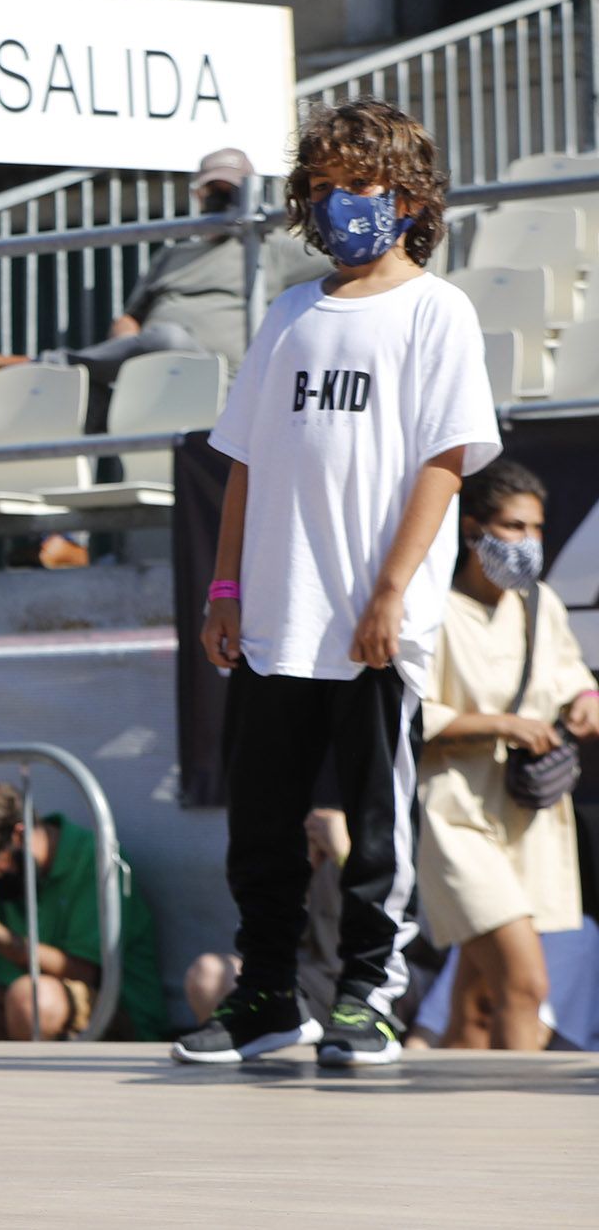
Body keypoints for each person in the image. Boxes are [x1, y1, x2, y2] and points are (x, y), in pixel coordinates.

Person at [177, 98, 503, 1068]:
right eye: (316, 189)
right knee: (261, 823)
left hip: (368, 623)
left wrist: (390, 591)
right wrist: (225, 588)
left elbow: (444, 462)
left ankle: (367, 996)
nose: (331, 206)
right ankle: (267, 997)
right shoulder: (286, 313)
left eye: (351, 187)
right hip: (276, 618)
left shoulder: (436, 311)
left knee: (371, 828)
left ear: (404, 197)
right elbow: (240, 461)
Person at [416, 458, 599, 1050]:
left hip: (527, 819)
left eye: (537, 529)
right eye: (514, 527)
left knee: (473, 1003)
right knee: (524, 985)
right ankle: (518, 1126)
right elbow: (407, 718)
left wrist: (588, 698)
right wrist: (501, 726)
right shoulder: (432, 611)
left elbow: (570, 674)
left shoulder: (539, 604)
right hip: (457, 815)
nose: (528, 542)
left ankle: (450, 1134)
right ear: (473, 529)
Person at [0, 147, 329, 428]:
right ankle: (68, 527)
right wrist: (124, 338)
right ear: (197, 195)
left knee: (165, 337)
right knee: (88, 390)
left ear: (249, 197)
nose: (220, 203)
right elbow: (131, 318)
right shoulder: (172, 253)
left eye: (228, 194)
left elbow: (340, 255)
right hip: (150, 370)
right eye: (212, 193)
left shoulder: (271, 247)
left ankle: (42, 365)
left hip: (219, 378)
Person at [0, 782, 163, 1041]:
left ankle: (35, 1087)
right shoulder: (9, 874)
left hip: (109, 1010)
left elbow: (83, 971)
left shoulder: (95, 860)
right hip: (14, 1006)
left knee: (30, 999)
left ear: (19, 835)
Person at [185, 806, 440, 1031]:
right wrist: (299, 879)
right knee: (209, 975)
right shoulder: (316, 827)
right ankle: (254, 1066)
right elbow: (278, 943)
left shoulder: (408, 813)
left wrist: (350, 860)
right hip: (322, 976)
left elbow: (423, 942)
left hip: (396, 976)